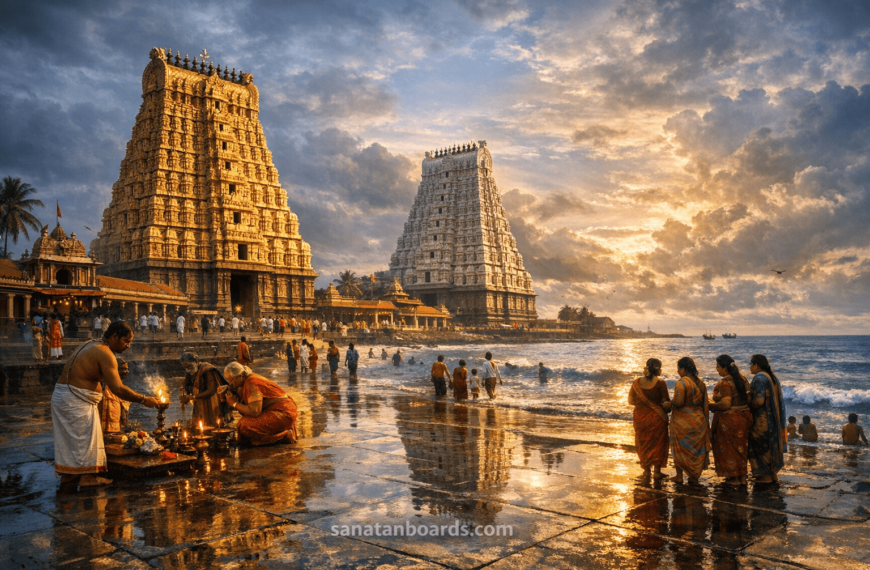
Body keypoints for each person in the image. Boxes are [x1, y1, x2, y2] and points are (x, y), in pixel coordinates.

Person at [52, 321, 159, 488]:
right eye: (126, 341)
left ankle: (69, 476)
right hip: (75, 399)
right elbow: (117, 388)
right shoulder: (105, 353)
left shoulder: (92, 343)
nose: (128, 346)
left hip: (65, 397)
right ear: (114, 337)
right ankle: (88, 477)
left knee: (72, 441)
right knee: (85, 439)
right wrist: (144, 399)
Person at [223, 362, 298, 445]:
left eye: (231, 379)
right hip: (279, 409)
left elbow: (254, 411)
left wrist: (234, 403)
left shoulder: (251, 383)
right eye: (228, 380)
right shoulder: (246, 380)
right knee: (244, 423)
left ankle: (283, 436)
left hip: (284, 412)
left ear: (240, 376)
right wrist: (229, 390)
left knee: (244, 425)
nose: (230, 382)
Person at [709, 354, 754, 486]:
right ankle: (742, 477)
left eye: (718, 367)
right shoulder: (743, 379)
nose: (717, 370)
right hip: (744, 418)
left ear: (724, 368)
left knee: (729, 449)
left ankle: (733, 479)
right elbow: (749, 399)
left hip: (730, 420)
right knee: (741, 449)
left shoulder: (725, 383)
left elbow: (725, 404)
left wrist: (712, 406)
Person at [669, 356, 711, 485]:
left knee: (680, 448)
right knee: (695, 450)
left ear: (683, 369)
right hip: (698, 420)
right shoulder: (701, 383)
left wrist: (669, 403)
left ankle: (679, 476)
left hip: (683, 421)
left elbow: (679, 402)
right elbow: (705, 404)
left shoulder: (681, 382)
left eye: (678, 369)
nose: (677, 372)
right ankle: (694, 476)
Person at [628, 358, 671, 480]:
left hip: (640, 417)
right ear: (659, 369)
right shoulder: (660, 383)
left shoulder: (636, 383)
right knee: (658, 443)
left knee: (643, 443)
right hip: (657, 418)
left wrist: (642, 404)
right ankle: (657, 471)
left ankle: (647, 471)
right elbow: (665, 402)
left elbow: (630, 401)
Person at [748, 354, 787, 483]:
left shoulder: (759, 378)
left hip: (762, 421)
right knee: (770, 447)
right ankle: (772, 475)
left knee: (761, 447)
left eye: (750, 365)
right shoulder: (772, 377)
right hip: (774, 420)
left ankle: (765, 477)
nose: (749, 368)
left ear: (756, 365)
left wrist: (747, 403)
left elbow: (759, 401)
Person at [180, 352, 230, 428]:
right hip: (199, 402)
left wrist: (192, 397)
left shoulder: (207, 370)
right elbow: (186, 385)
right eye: (185, 368)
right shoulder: (190, 370)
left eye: (189, 367)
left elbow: (211, 390)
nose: (188, 370)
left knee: (213, 425)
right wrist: (185, 395)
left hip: (211, 402)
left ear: (196, 362)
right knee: (199, 426)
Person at [99, 356, 131, 434]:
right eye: (124, 369)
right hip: (106, 424)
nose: (127, 371)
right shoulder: (105, 386)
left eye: (127, 369)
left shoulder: (118, 385)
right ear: (116, 369)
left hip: (115, 422)